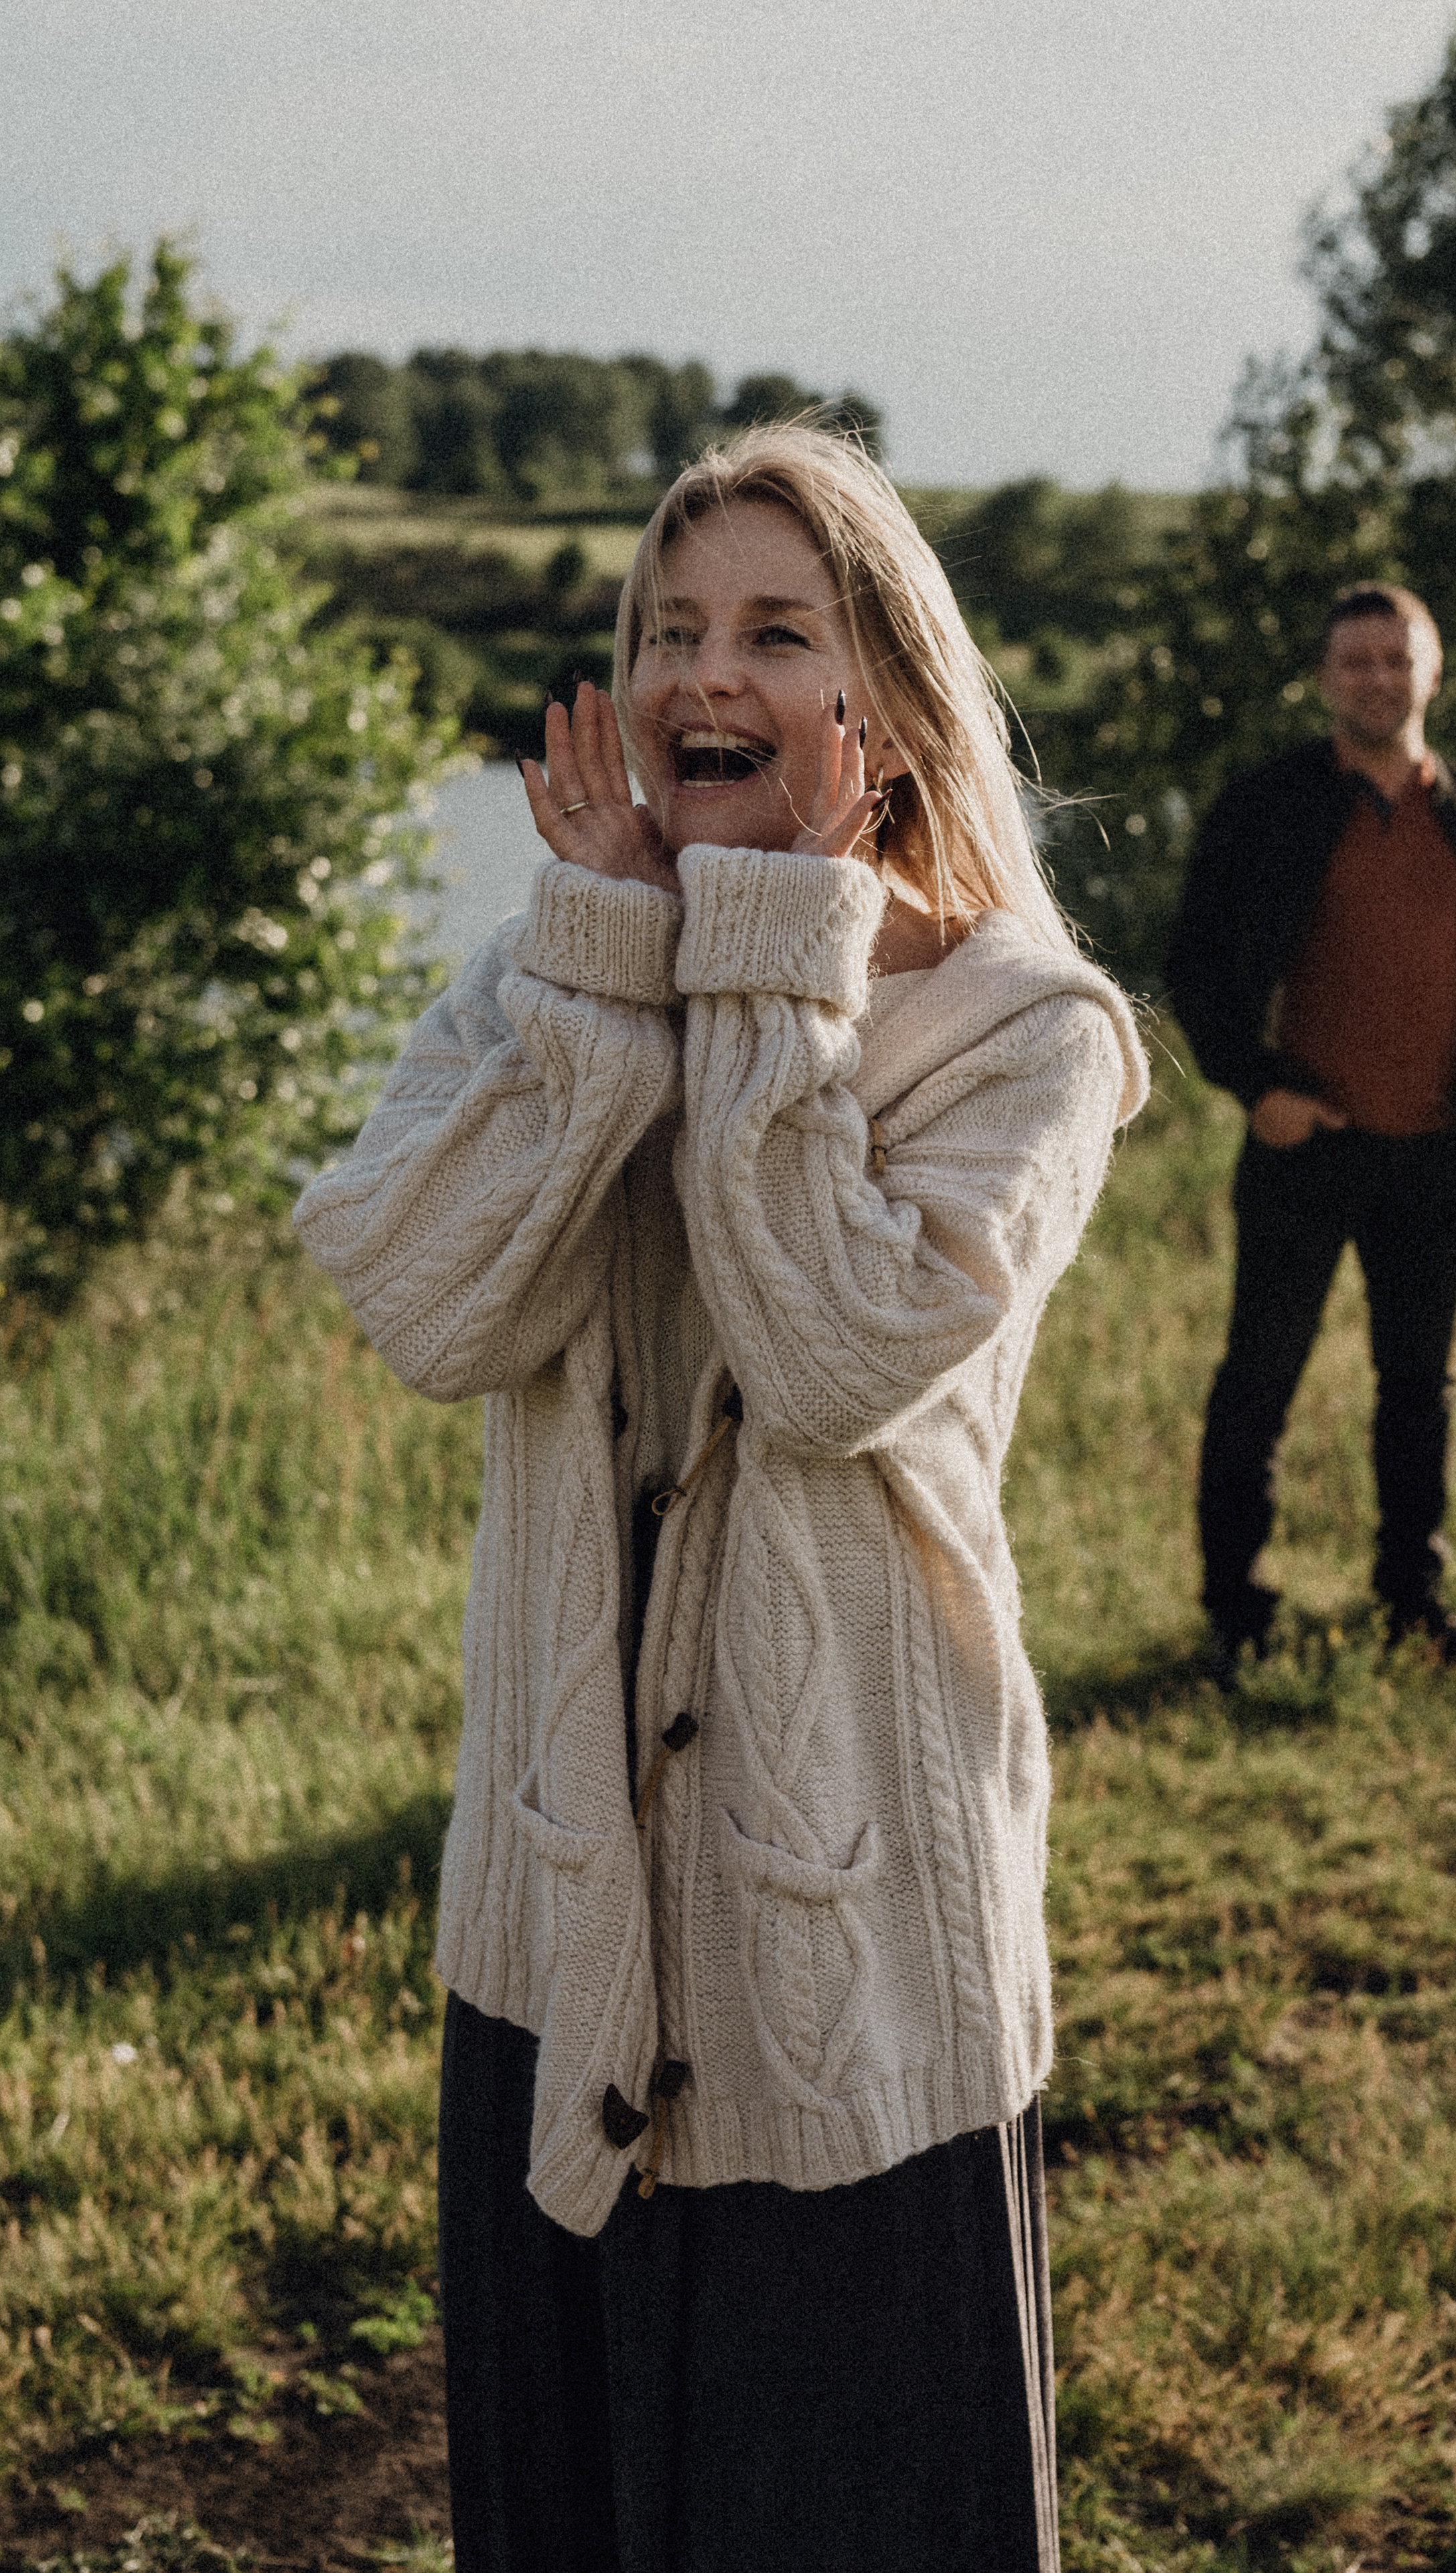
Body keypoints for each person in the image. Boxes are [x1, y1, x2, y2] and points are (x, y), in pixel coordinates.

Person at [294, 423, 1147, 2573]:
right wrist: (605, 979)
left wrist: (767, 957)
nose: (706, 671)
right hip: (557, 1918)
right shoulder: (559, 967)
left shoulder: (1033, 1034)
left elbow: (834, 1350)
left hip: (841, 1938)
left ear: (893, 691)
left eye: (778, 627)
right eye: (672, 629)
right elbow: (420, 1294)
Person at [1166, 583, 1456, 1678]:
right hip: (1304, 1146)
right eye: (1356, 661)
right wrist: (1256, 1088)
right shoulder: (1266, 805)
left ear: (1433, 672)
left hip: (1437, 1152)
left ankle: (1412, 1603)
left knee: (1419, 1388)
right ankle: (1236, 1615)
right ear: (1327, 680)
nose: (1378, 678)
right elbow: (1195, 968)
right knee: (1259, 1382)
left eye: (1397, 658)